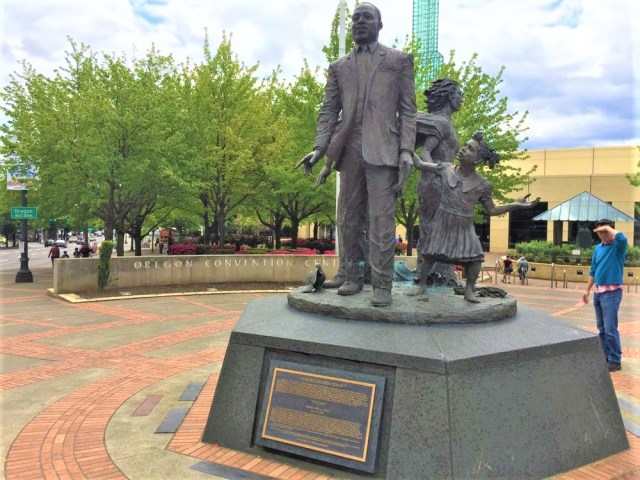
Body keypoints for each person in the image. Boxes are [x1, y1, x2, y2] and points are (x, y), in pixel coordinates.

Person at [296, 2, 416, 307]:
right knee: (348, 218)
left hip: (383, 150)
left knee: (381, 220)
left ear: (379, 24)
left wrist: (406, 150)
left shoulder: (399, 60)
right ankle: (352, 275)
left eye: (367, 17)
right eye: (356, 18)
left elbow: (408, 111)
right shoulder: (339, 67)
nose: (360, 22)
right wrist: (319, 148)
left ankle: (382, 284)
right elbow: (328, 110)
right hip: (349, 150)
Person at [410, 132, 540, 302]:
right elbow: (419, 164)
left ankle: (469, 290)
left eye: (470, 148)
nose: (463, 149)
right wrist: (406, 147)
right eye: (465, 145)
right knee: (429, 254)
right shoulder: (445, 168)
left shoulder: (483, 184)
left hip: (464, 226)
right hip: (443, 221)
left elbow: (492, 210)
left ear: (477, 160)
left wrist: (516, 204)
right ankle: (421, 285)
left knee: (476, 259)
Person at [414, 78, 463, 287]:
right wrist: (438, 172)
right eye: (459, 95)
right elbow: (425, 152)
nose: (461, 99)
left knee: (444, 228)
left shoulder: (447, 123)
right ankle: (429, 275)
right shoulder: (441, 123)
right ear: (450, 97)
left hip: (443, 182)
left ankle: (442, 274)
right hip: (434, 183)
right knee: (433, 228)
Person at [582, 219, 628, 372]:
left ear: (610, 230)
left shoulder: (618, 246)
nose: (601, 235)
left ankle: (615, 359)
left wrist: (609, 228)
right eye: (599, 232)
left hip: (612, 293)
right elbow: (593, 270)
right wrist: (587, 290)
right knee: (601, 328)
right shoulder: (598, 248)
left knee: (610, 328)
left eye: (604, 231)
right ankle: (605, 356)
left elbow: (622, 238)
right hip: (598, 292)